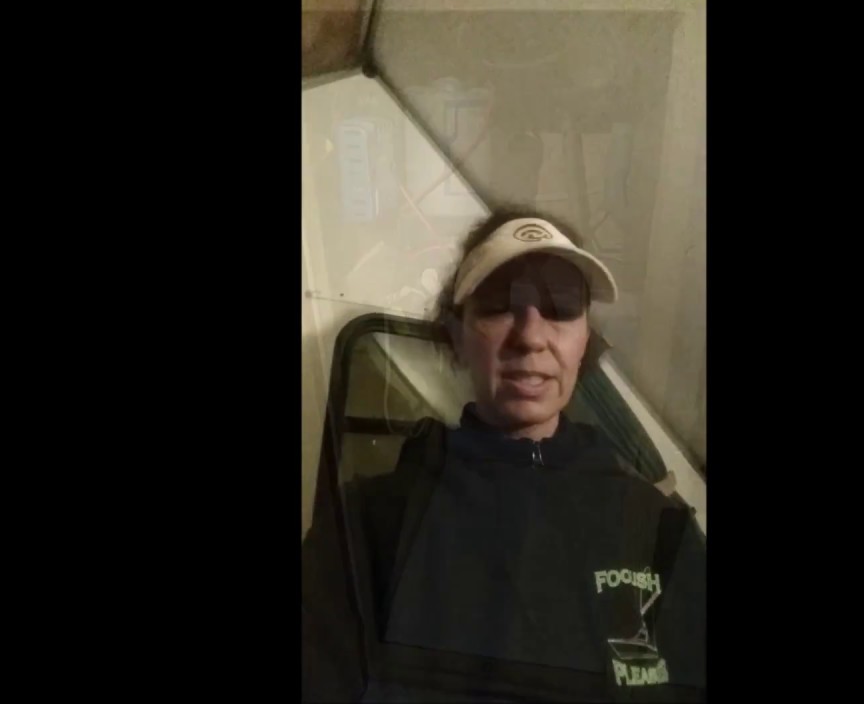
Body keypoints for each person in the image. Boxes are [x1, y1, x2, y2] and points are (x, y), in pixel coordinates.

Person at [302, 208, 706, 702]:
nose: (531, 337)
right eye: (498, 306)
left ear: (585, 339)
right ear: (456, 334)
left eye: (560, 308)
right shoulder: (369, 525)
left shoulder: (661, 530)